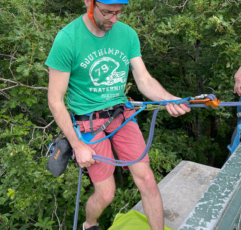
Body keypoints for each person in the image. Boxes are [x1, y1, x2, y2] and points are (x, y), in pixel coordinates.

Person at [46, 0, 190, 229]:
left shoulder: (127, 34)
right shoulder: (68, 39)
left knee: (148, 180)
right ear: (88, 3)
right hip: (88, 122)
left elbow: (143, 79)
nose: (113, 19)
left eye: (118, 13)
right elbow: (55, 100)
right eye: (107, 12)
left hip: (121, 115)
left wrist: (168, 99)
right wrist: (77, 144)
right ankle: (89, 223)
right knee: (106, 194)